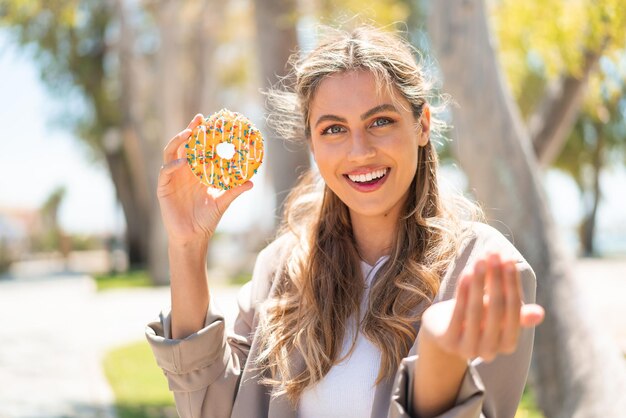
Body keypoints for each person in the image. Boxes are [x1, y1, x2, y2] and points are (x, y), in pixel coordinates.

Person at [146, 26, 545, 418]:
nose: (359, 152)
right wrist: (187, 247)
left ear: (421, 125)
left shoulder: (486, 271)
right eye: (334, 129)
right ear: (313, 144)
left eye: (380, 121)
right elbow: (212, 411)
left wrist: (441, 357)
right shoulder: (280, 270)